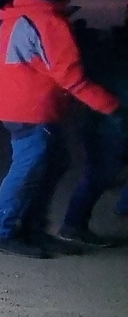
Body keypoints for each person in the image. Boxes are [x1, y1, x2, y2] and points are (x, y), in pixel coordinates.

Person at [0, 0, 120, 257]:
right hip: (36, 110)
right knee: (29, 169)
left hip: (16, 107)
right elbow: (72, 78)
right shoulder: (49, 22)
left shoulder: (11, 18)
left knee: (49, 164)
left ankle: (29, 229)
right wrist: (112, 107)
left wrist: (16, 86)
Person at [60, 22, 128, 244]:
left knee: (98, 175)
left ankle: (75, 225)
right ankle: (73, 225)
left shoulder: (107, 47)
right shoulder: (114, 54)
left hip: (102, 120)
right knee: (98, 176)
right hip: (110, 122)